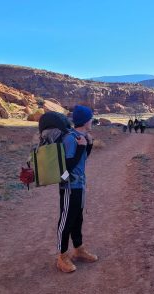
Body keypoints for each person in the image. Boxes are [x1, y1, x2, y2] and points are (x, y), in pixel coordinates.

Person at [56, 105, 98, 273]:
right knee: (66, 220)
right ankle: (61, 256)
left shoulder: (81, 136)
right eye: (91, 118)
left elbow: (82, 160)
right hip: (69, 186)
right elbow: (67, 167)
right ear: (85, 120)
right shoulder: (70, 138)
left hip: (79, 185)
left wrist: (88, 145)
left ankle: (78, 249)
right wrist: (81, 147)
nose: (92, 120)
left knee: (77, 218)